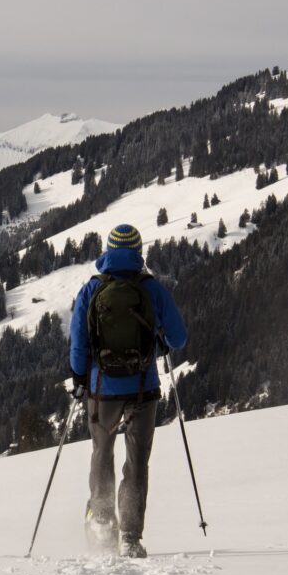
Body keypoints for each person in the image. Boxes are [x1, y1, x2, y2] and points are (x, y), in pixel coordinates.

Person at [69, 223, 187, 558]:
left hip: (101, 389)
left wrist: (80, 378)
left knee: (101, 453)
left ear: (107, 251)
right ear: (138, 252)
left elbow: (79, 343)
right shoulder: (151, 289)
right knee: (136, 463)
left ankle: (103, 520)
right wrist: (157, 345)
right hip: (142, 390)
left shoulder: (92, 288)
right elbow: (179, 338)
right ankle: (131, 537)